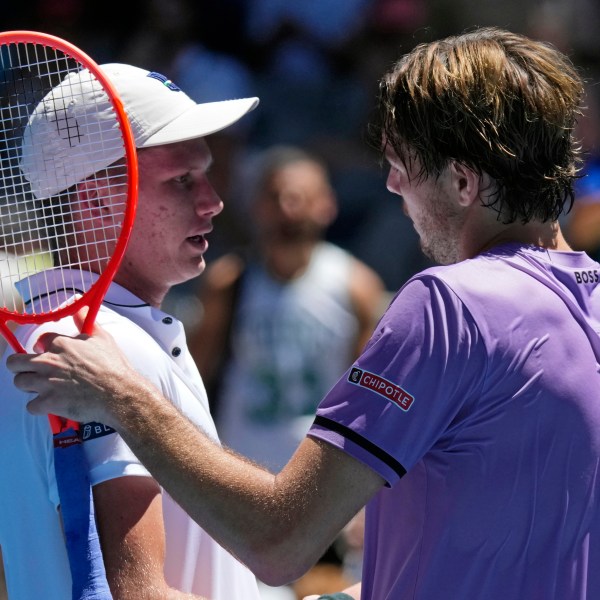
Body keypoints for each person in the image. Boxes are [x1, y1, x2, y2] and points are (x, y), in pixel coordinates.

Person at [8, 27, 600, 600]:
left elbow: (279, 541)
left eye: (403, 163)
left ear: (464, 181)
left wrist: (124, 398)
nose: (390, 185)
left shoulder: (450, 303)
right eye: (184, 180)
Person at [0, 63, 261, 599]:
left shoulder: (69, 334)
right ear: (96, 199)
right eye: (181, 180)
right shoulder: (99, 348)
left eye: (205, 175)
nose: (213, 201)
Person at [190, 144, 385, 472]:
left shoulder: (356, 287)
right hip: (238, 473)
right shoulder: (228, 283)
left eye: (300, 198)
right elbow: (195, 376)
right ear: (256, 207)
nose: (287, 209)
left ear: (327, 205)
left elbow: (367, 398)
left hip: (320, 480)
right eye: (276, 197)